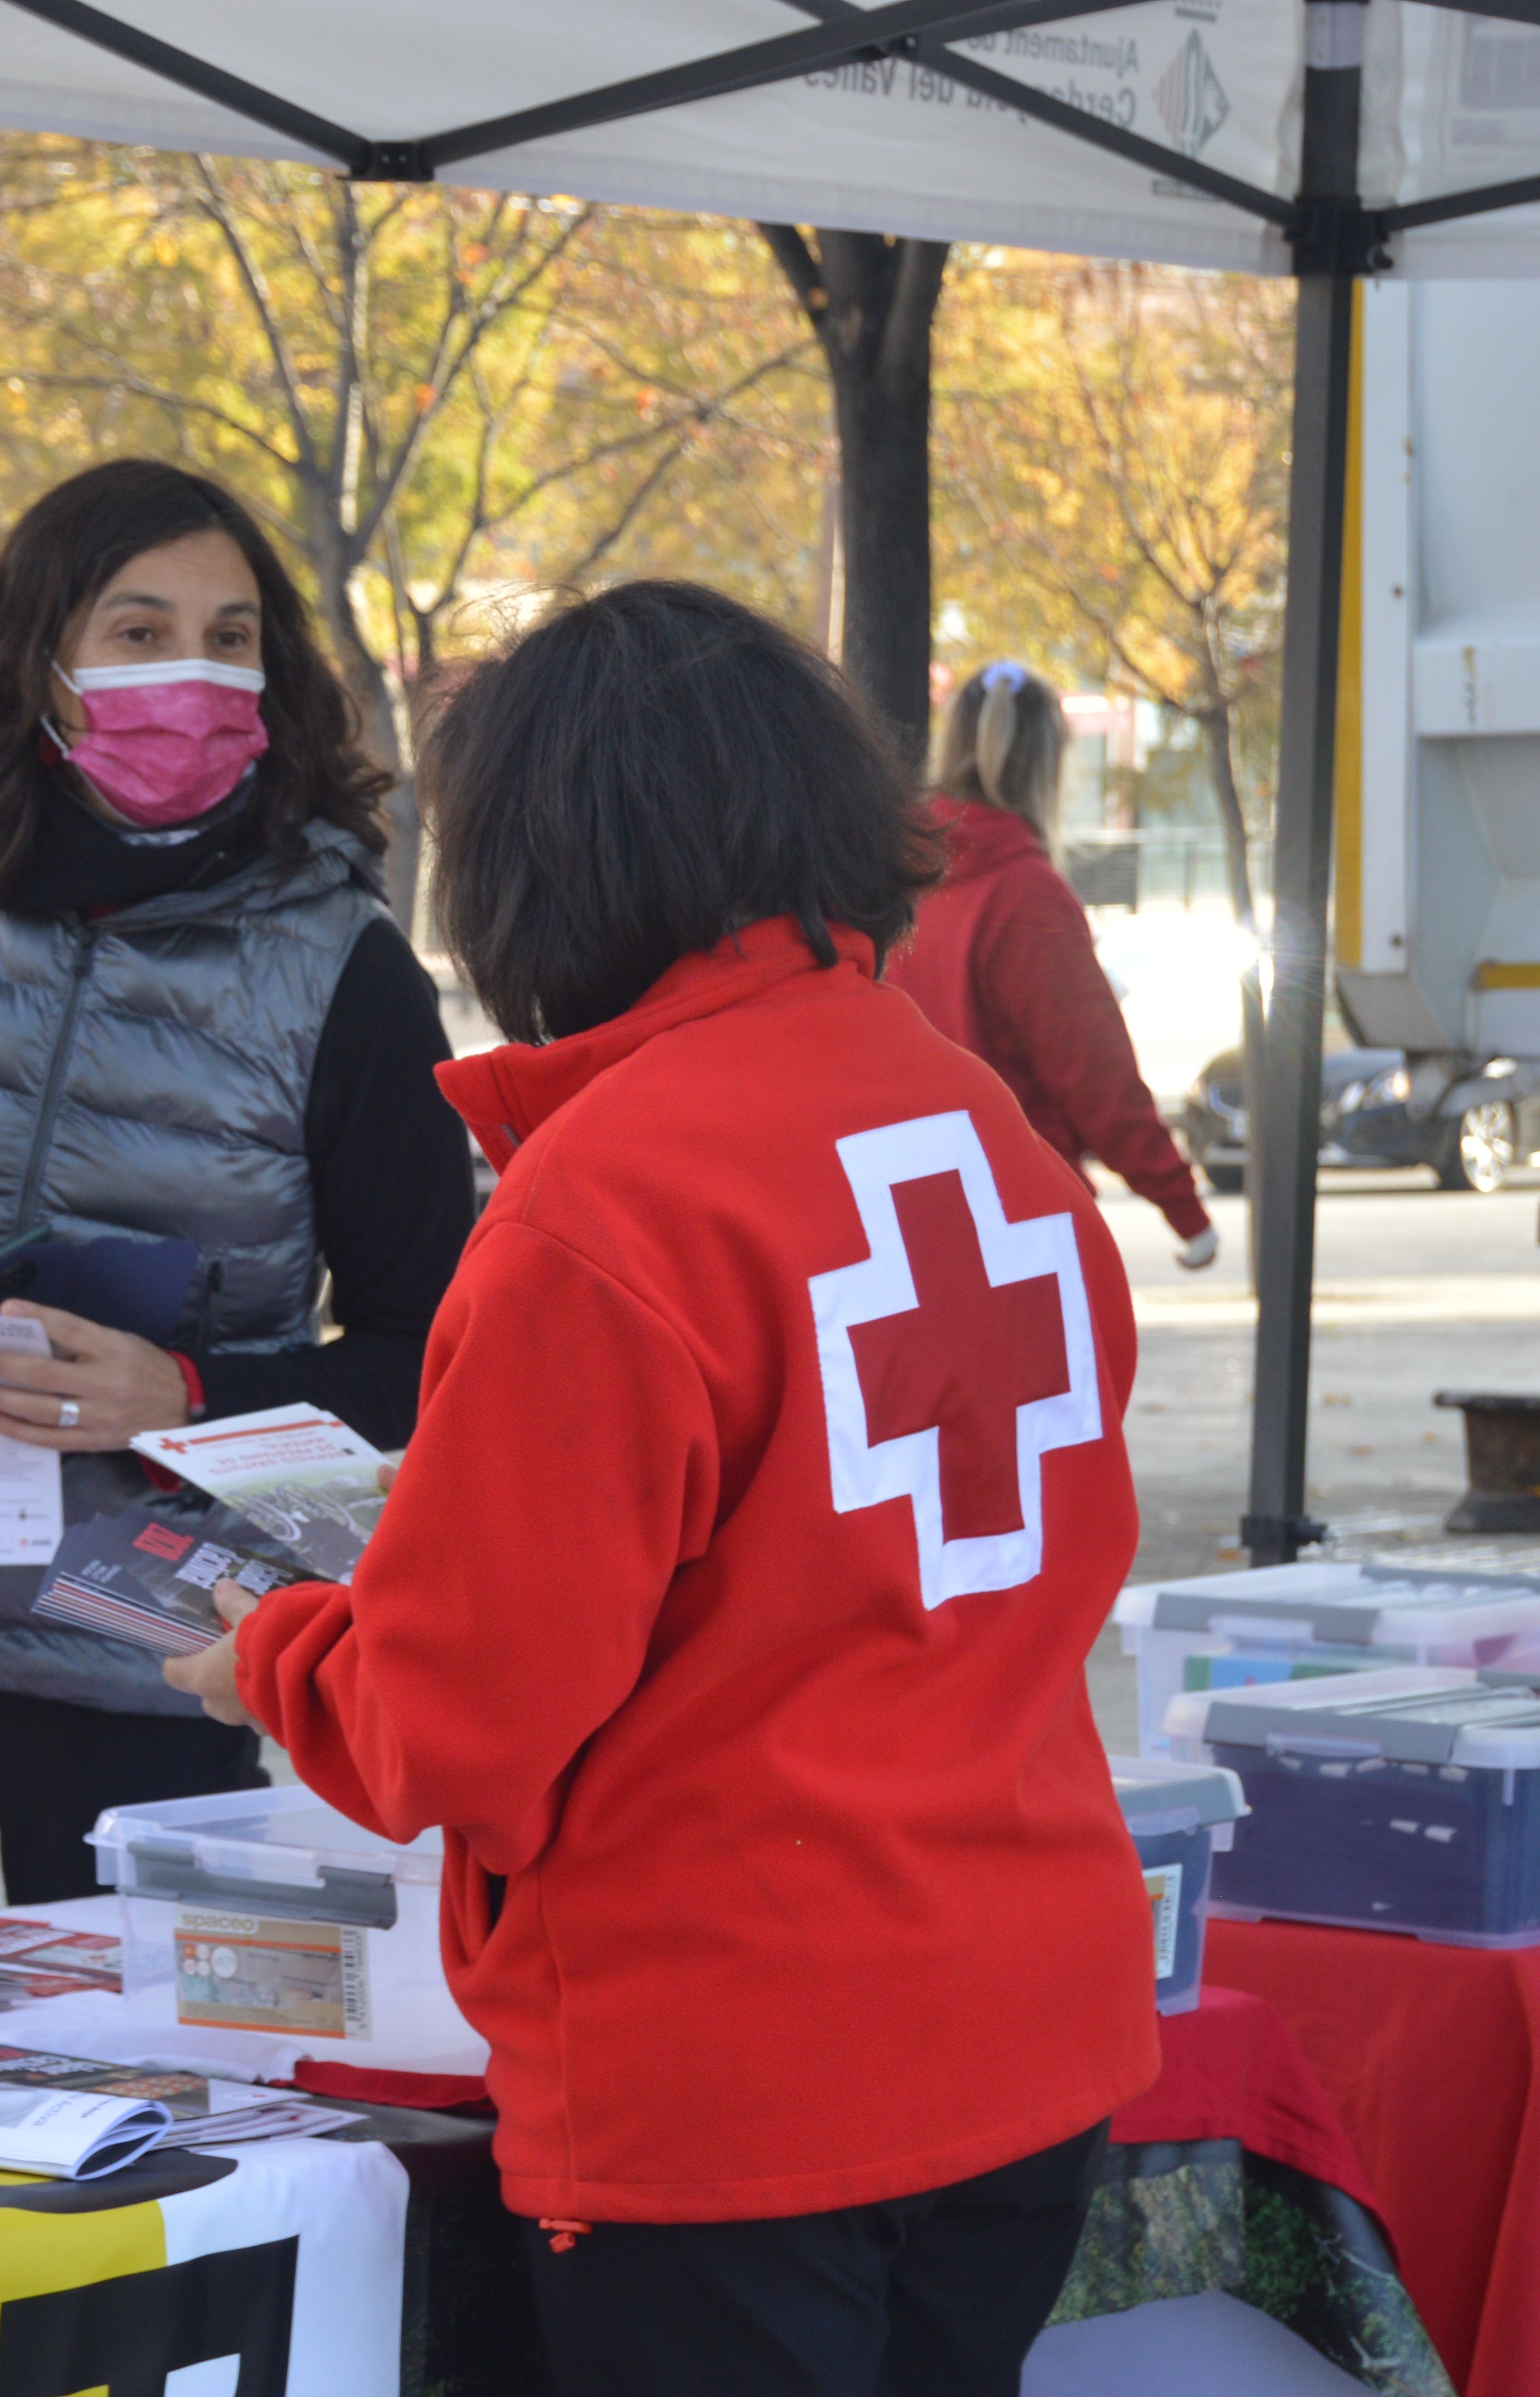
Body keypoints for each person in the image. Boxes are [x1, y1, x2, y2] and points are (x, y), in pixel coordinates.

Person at [167, 583, 1158, 2397]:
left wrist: (280, 1656)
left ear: (543, 867)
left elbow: (459, 1721)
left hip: (736, 2082)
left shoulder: (605, 1199)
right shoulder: (983, 1135)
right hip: (1021, 2030)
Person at [0, 457, 474, 1939]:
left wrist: (181, 1390)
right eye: (137, 630)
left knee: (141, 2116)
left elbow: (427, 1358)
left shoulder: (346, 971)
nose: (189, 670)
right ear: (42, 656)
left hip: (156, 1656)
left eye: (229, 635)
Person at [889, 659, 1218, 1269]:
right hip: (1020, 1230)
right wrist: (1184, 1209)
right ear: (1050, 765)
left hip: (903, 1226)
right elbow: (1094, 1074)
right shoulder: (1025, 894)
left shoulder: (894, 884)